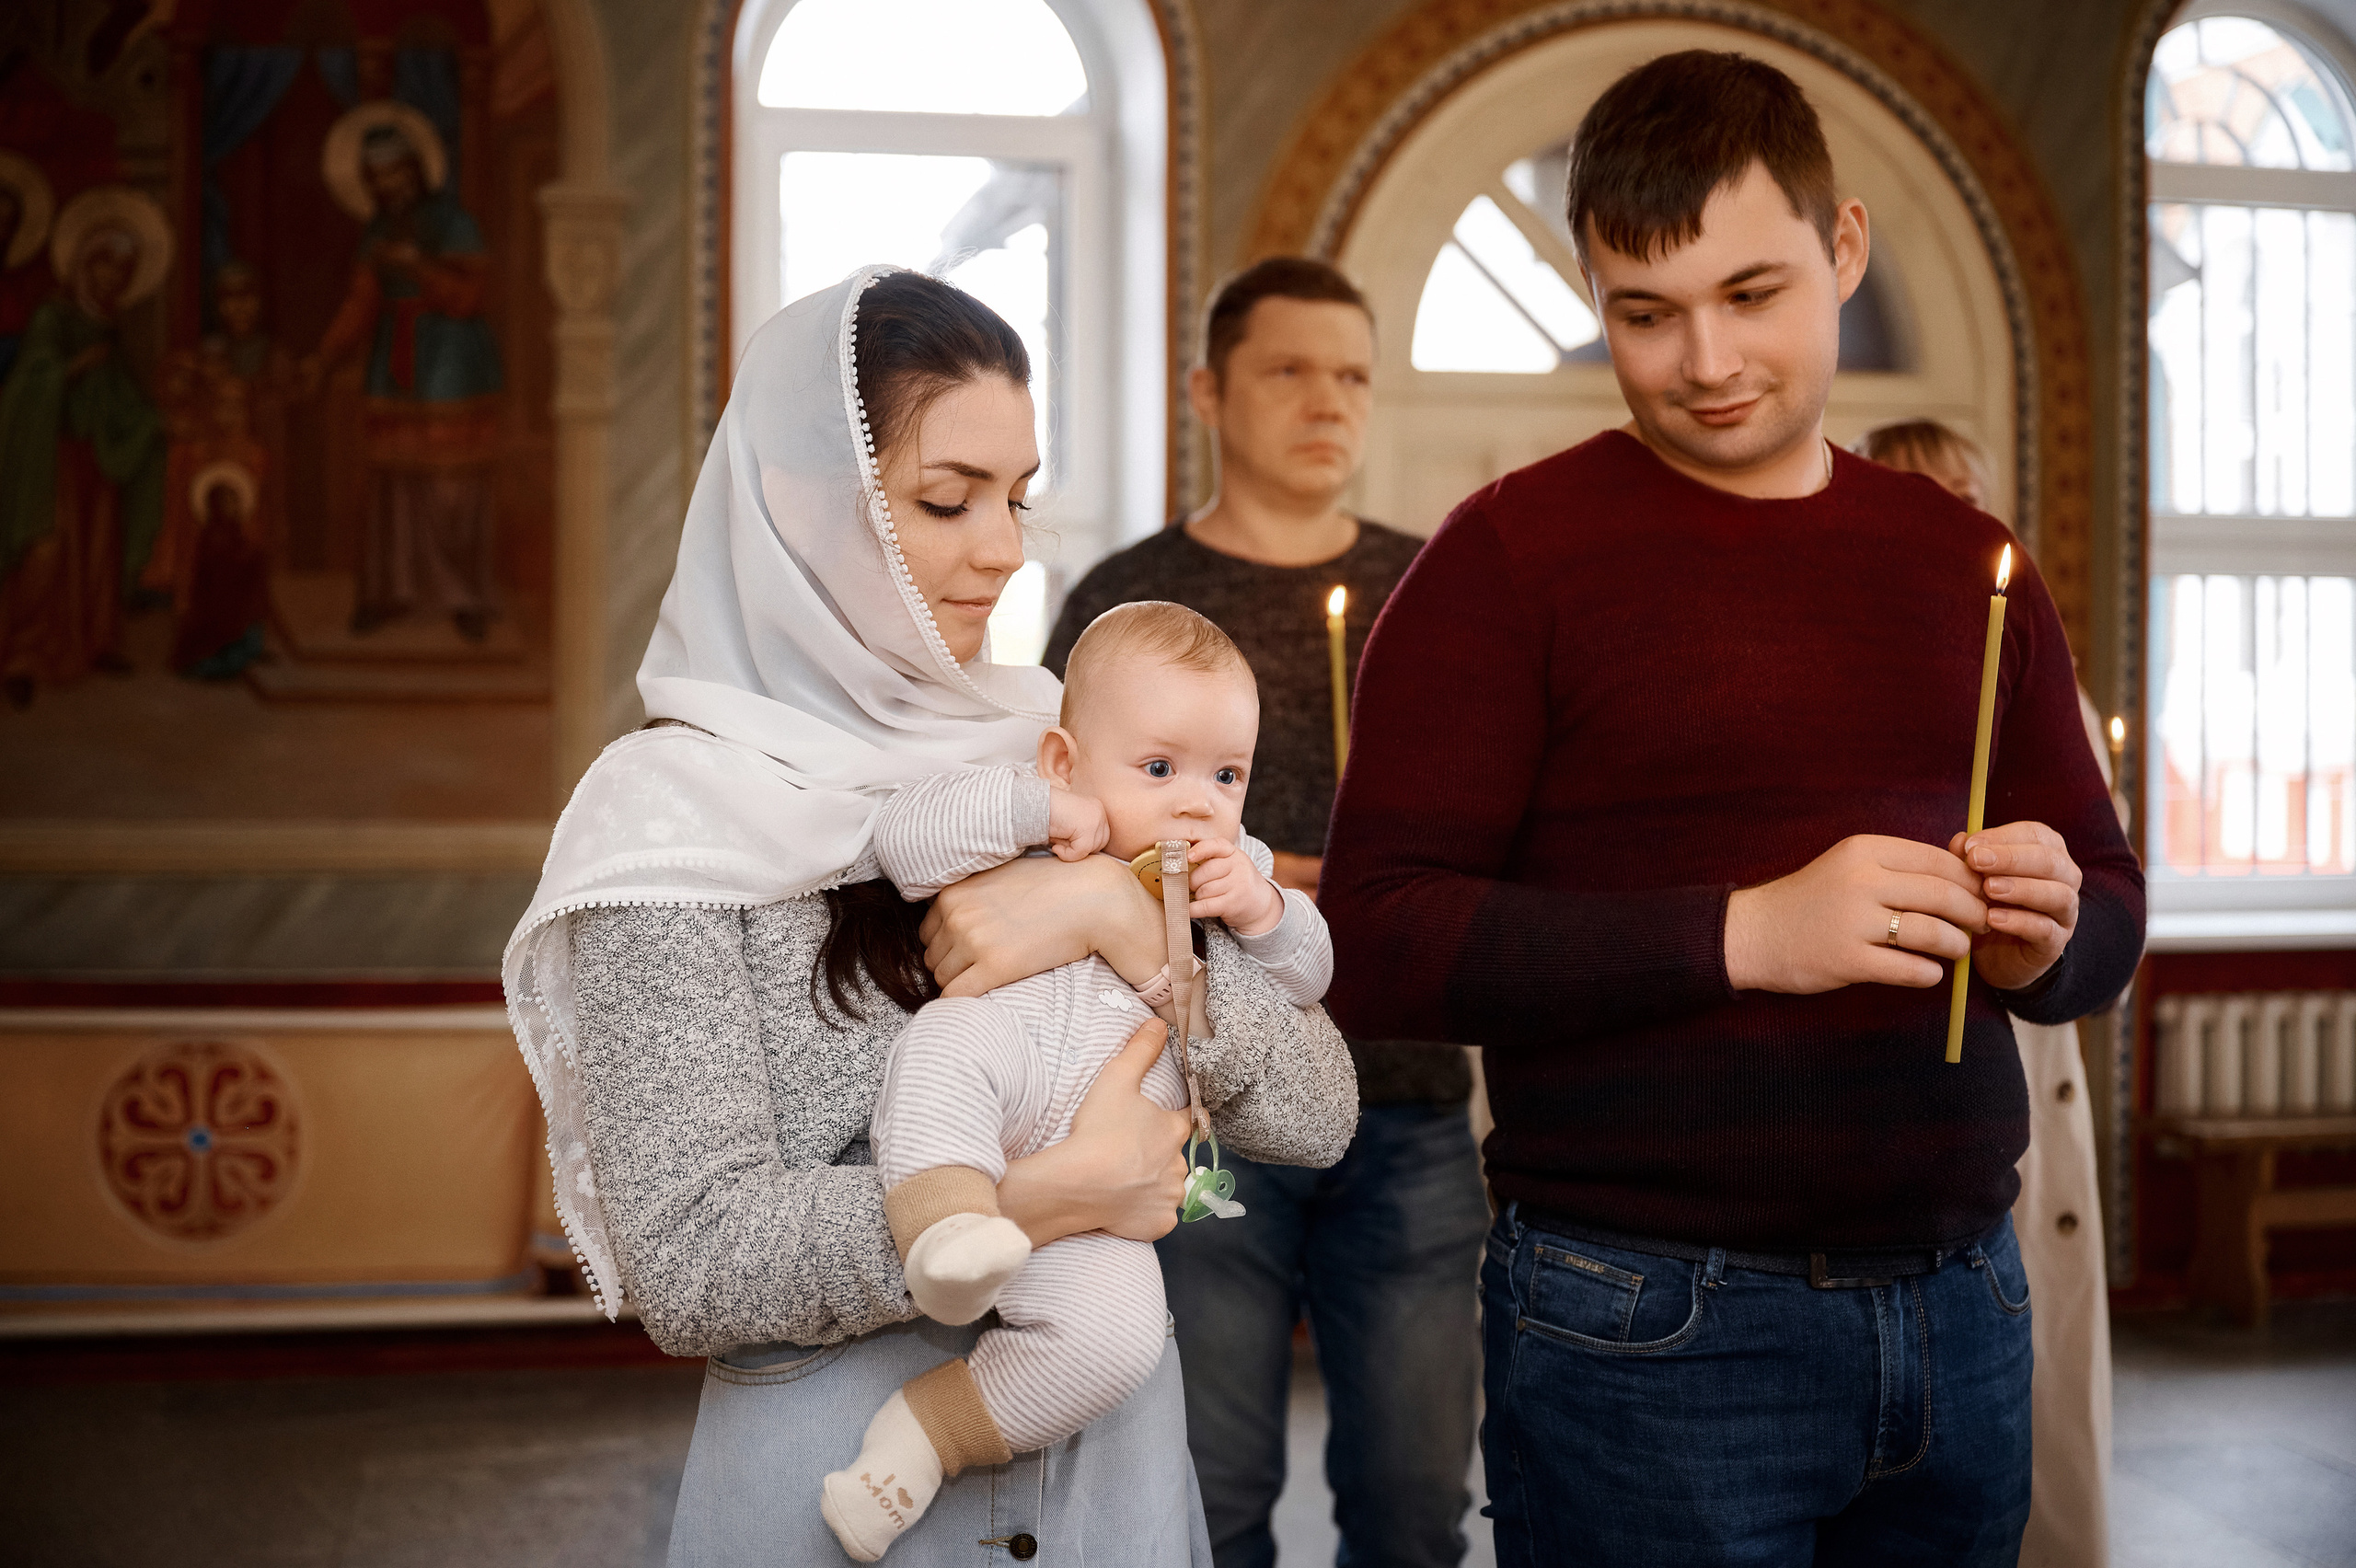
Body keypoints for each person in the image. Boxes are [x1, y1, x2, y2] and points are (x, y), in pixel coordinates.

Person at [1320, 52, 2145, 1568]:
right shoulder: (1503, 561)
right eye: (1645, 312)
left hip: (1964, 1300)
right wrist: (1742, 935)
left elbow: (2108, 909)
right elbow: (1375, 939)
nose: (1704, 357)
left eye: (1752, 292)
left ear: (1844, 246)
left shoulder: (1968, 560)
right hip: (1641, 1315)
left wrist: (2049, 934)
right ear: (1595, 293)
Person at [502, 266, 1357, 1568]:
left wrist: (1121, 927)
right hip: (834, 1484)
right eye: (945, 501)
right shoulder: (665, 819)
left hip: (1100, 1473)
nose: (1007, 548)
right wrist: (1039, 1198)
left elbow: (1315, 1107)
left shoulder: (1065, 750)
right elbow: (689, 1261)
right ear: (797, 507)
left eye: (1018, 498)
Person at [1043, 257, 1488, 1568]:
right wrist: (1289, 880)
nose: (1327, 402)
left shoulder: (1437, 589)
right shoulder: (1130, 603)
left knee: (1416, 1511)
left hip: (1404, 1103)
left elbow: (1486, 851)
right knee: (1209, 1494)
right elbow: (1073, 847)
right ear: (1208, 392)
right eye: (1289, 370)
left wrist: (1358, 885)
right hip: (1196, 1106)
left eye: (1351, 374)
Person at [825, 600, 1343, 1561]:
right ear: (1064, 761)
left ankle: (925, 1437)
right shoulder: (1030, 821)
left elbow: (1310, 976)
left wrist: (1267, 909)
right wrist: (1037, 810)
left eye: (1226, 775)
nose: (1197, 802)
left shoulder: (1234, 871)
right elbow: (906, 842)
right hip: (1008, 1075)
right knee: (944, 1049)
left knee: (1119, 1337)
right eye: (1159, 769)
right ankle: (945, 1225)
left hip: (1114, 1180)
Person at [1857, 415, 2124, 1568]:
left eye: (1964, 492)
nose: (1948, 517)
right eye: (1916, 493)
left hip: (2012, 1074)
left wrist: (2047, 915)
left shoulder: (2030, 659)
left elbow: (2101, 886)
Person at [305, 118, 503, 640]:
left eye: (395, 173)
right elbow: (360, 303)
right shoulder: (377, 232)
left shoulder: (456, 223)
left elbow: (470, 298)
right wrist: (323, 358)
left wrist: (417, 267)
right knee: (392, 486)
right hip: (396, 369)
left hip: (453, 367)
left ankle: (464, 598)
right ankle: (391, 592)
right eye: (377, 177)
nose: (388, 186)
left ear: (416, 171)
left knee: (452, 486)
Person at [0, 190, 171, 709]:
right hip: (52, 456)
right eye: (106, 267)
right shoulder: (53, 316)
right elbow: (28, 382)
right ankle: (21, 655)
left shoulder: (107, 328)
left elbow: (121, 398)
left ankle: (96, 643)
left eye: (124, 271)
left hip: (95, 456)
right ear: (83, 264)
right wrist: (74, 370)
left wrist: (154, 423)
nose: (113, 279)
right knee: (46, 552)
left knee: (99, 551)